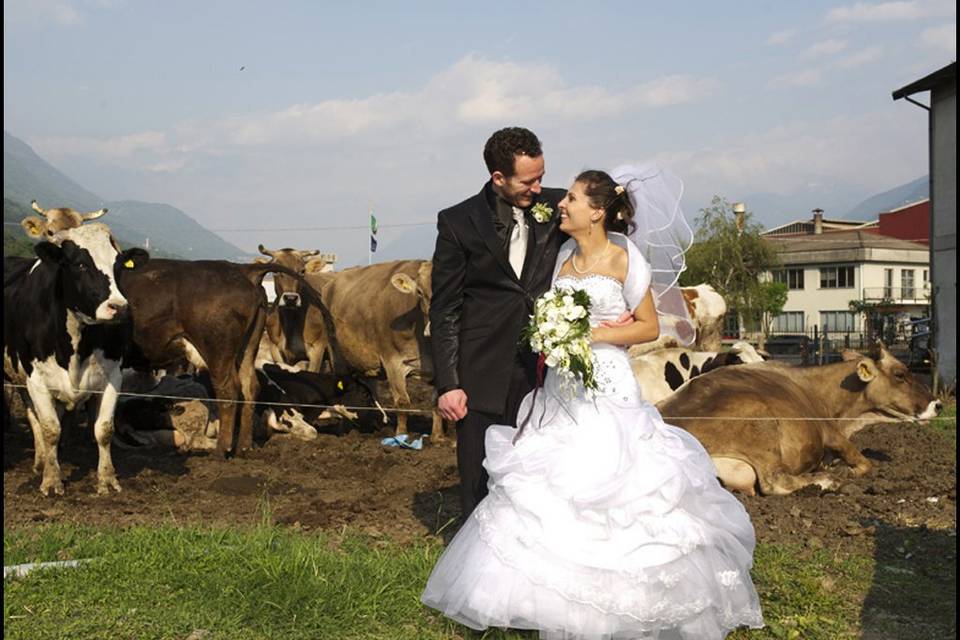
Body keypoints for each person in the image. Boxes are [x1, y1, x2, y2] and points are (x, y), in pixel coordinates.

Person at [422, 167, 764, 639]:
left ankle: (627, 598)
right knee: (550, 481)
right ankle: (540, 598)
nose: (562, 203)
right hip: (561, 387)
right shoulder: (561, 252)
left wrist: (594, 334)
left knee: (614, 479)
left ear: (597, 212)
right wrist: (553, 334)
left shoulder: (625, 257)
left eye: (575, 199)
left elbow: (648, 327)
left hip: (608, 386)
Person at [429, 127, 568, 520]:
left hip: (542, 370)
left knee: (537, 472)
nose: (539, 188)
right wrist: (449, 384)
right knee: (477, 474)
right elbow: (445, 308)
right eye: (529, 181)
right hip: (481, 370)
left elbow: (606, 222)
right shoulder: (457, 222)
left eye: (541, 176)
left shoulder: (559, 205)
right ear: (498, 178)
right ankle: (474, 563)